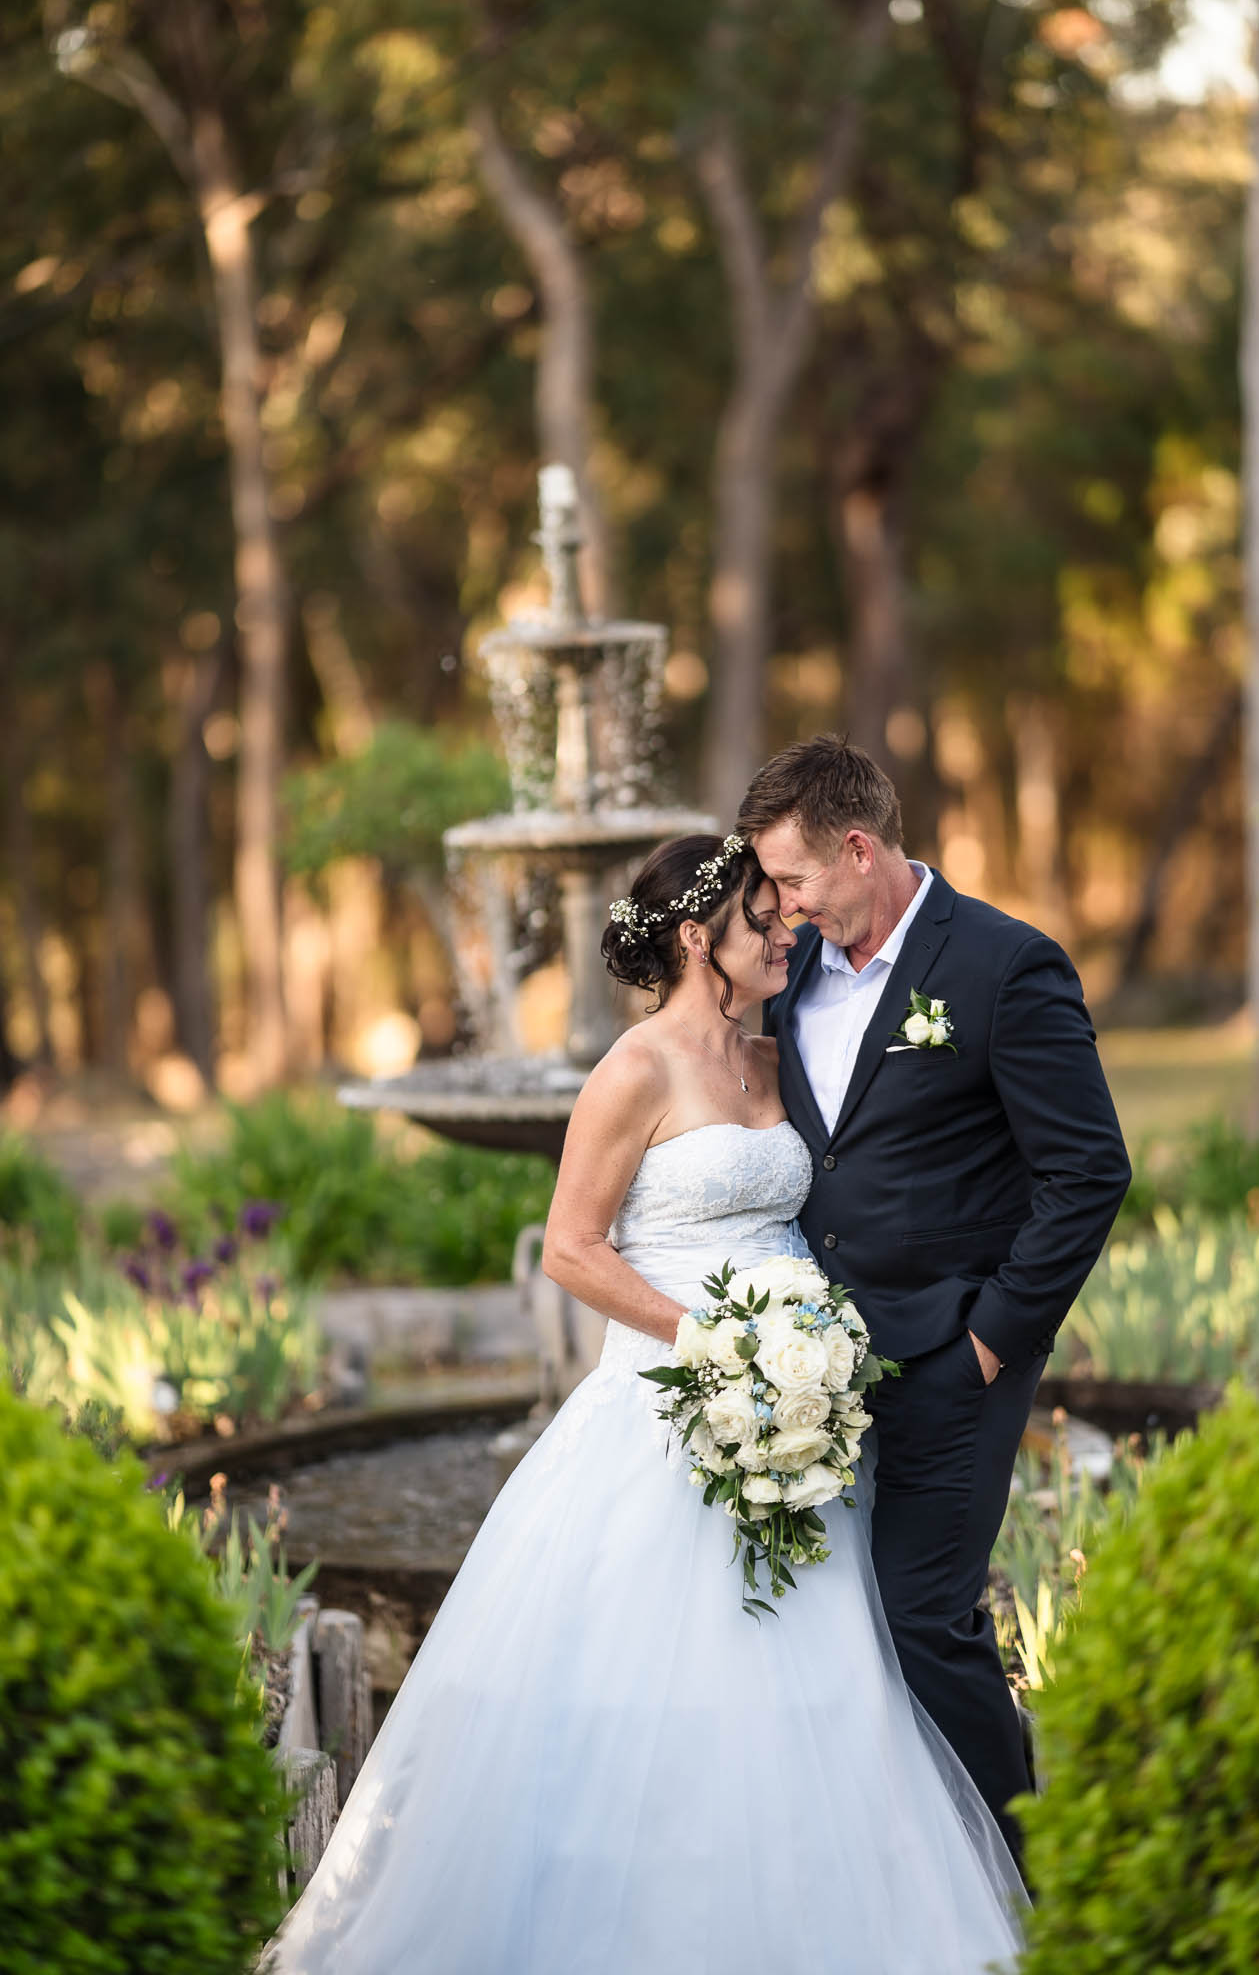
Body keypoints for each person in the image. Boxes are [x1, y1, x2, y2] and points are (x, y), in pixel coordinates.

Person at [263, 831, 1026, 1975]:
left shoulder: (774, 1059)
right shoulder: (630, 1069)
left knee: (840, 1681)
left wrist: (798, 1357)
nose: (783, 933)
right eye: (761, 919)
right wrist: (720, 1340)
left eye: (781, 912)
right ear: (693, 938)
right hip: (671, 1408)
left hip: (801, 1418)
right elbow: (571, 1248)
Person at [737, 736, 1132, 1866]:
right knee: (830, 1626)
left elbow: (1086, 1172)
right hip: (808, 1374)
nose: (787, 907)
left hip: (952, 1360)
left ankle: (1034, 1868)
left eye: (798, 881)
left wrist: (992, 1340)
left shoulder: (1006, 965)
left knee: (923, 1618)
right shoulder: (798, 971)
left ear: (857, 848)